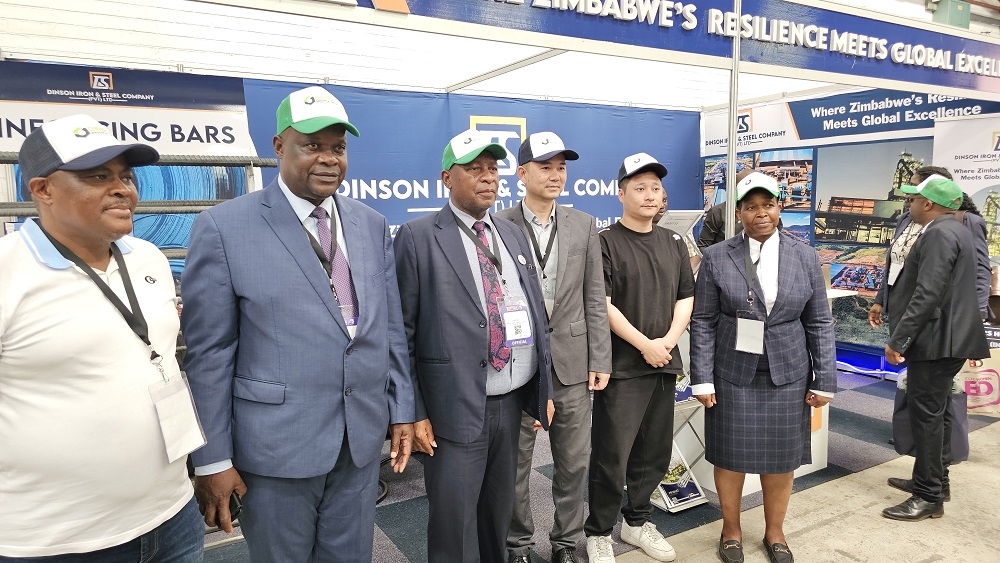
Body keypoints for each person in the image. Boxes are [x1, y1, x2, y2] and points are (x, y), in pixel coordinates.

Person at [181, 86, 414, 562]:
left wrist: (401, 409)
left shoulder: (370, 223)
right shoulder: (223, 227)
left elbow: (388, 328)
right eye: (312, 145)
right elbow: (210, 355)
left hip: (359, 441)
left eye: (338, 147)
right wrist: (212, 457)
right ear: (278, 146)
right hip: (275, 448)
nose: (328, 159)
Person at [0, 114, 203, 560]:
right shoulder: (7, 271)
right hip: (58, 541)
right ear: (42, 189)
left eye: (125, 176)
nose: (122, 189)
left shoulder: (148, 258)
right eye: (98, 176)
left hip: (173, 515)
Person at [394, 129, 554, 563]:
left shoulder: (511, 233)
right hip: (453, 405)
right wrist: (414, 410)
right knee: (455, 521)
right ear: (447, 178)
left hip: (512, 400)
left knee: (497, 515)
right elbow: (402, 333)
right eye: (474, 169)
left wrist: (544, 389)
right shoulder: (417, 236)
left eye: (493, 168)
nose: (488, 177)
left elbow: (533, 312)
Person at [690, 171, 836, 563]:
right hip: (732, 372)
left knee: (782, 459)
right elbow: (702, 320)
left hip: (787, 372)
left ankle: (775, 532)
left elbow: (819, 321)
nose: (761, 213)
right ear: (739, 212)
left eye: (768, 205)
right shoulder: (717, 257)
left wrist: (825, 378)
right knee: (730, 457)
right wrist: (701, 378)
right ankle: (731, 529)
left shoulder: (804, 256)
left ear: (779, 207)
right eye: (751, 207)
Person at [495, 132, 612, 563]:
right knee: (515, 465)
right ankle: (518, 545)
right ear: (522, 173)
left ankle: (566, 543)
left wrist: (600, 357)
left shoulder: (583, 224)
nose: (555, 175)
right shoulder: (499, 224)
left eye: (561, 167)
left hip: (573, 363)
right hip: (520, 366)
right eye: (545, 167)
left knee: (573, 461)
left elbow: (594, 297)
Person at [585, 153, 693, 563]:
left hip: (663, 361)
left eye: (655, 188)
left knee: (654, 452)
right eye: (640, 188)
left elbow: (685, 297)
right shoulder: (605, 242)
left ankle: (637, 521)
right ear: (621, 194)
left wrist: (667, 341)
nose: (650, 195)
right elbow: (603, 303)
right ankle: (598, 531)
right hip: (623, 368)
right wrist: (645, 344)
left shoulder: (674, 242)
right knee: (611, 454)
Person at [881, 176, 989, 521]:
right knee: (936, 412)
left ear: (927, 203)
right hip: (947, 337)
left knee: (926, 415)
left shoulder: (939, 233)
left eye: (913, 199)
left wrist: (899, 339)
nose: (909, 204)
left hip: (937, 340)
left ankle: (928, 496)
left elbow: (927, 293)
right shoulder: (954, 229)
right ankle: (934, 481)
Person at [870, 166, 991, 326]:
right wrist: (880, 300)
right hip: (901, 307)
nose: (908, 193)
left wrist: (978, 312)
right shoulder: (905, 219)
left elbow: (980, 269)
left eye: (914, 186)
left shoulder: (967, 221)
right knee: (899, 342)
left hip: (941, 313)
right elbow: (895, 265)